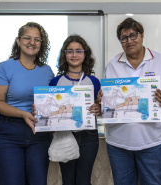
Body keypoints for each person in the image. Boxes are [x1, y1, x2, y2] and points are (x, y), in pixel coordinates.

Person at [101, 18, 161, 185]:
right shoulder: (112, 65)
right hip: (118, 143)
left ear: (142, 35)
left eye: (133, 35)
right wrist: (102, 97)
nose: (129, 41)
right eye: (124, 38)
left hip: (152, 141)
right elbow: (105, 97)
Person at [0, 22, 54, 185]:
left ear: (41, 44)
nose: (32, 42)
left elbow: (51, 102)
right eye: (27, 38)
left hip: (39, 134)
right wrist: (22, 113)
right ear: (18, 41)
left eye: (37, 39)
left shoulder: (47, 70)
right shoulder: (4, 67)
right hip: (9, 133)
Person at [49, 34, 101, 185]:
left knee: (84, 180)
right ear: (64, 55)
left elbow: (100, 106)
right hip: (64, 135)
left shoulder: (93, 81)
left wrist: (98, 108)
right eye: (70, 51)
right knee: (68, 180)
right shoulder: (55, 81)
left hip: (88, 136)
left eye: (79, 51)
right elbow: (51, 109)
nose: (74, 55)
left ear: (85, 54)